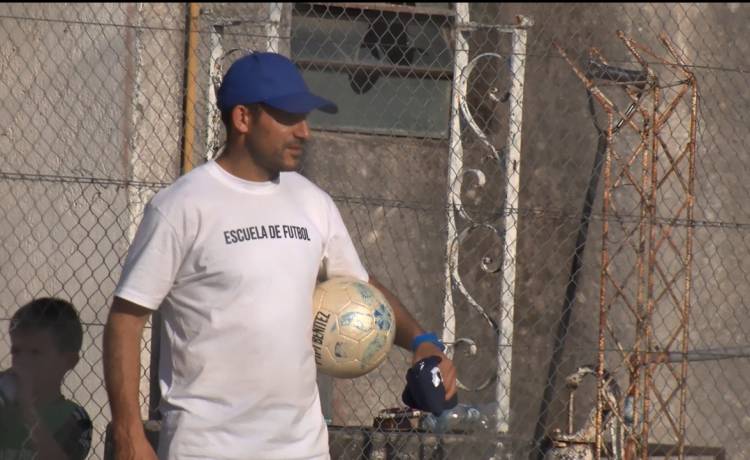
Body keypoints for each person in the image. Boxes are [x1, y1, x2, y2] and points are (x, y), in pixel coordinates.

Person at [103, 51, 457, 460]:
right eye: (289, 118)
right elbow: (125, 322)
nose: (304, 131)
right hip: (207, 448)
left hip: (301, 448)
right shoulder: (181, 207)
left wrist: (423, 341)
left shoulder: (312, 202)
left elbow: (361, 287)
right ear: (243, 119)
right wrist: (129, 431)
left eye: (305, 118)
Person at [0, 297, 93, 460]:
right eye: (16, 351)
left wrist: (28, 410)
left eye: (35, 353)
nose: (22, 361)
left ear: (68, 361)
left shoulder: (73, 417)